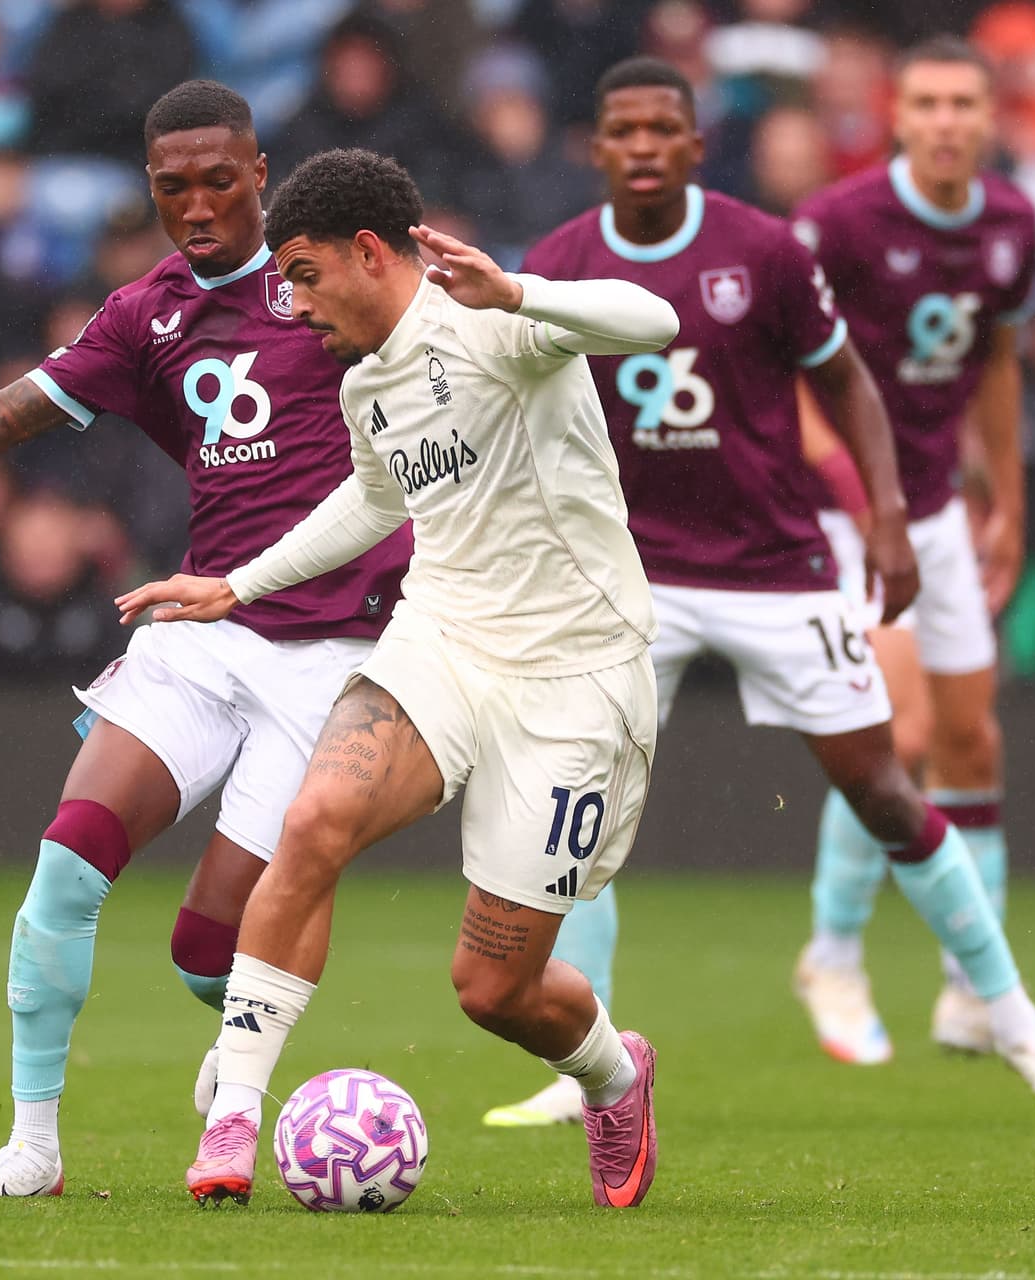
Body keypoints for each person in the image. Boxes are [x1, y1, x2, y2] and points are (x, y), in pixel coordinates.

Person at [481, 56, 1035, 1130]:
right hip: (635, 578)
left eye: (660, 130)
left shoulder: (761, 249)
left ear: (694, 144)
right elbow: (526, 416)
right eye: (620, 130)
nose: (641, 147)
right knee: (571, 812)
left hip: (777, 568)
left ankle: (1009, 1015)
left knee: (885, 781)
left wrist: (888, 511)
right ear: (596, 149)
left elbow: (846, 378)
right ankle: (581, 1059)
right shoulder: (559, 260)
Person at [0, 82, 412, 1199]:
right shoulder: (144, 313)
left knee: (209, 952)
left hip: (334, 652)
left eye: (216, 181)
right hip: (200, 625)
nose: (194, 206)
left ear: (258, 171)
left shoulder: (333, 283)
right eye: (170, 187)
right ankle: (32, 1147)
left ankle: (243, 1047)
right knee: (65, 861)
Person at [116, 147, 678, 1209]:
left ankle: (615, 1072)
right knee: (317, 814)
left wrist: (522, 291)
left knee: (493, 988)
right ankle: (236, 1105)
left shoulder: (496, 322)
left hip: (575, 676)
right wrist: (235, 584)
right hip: (442, 638)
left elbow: (654, 321)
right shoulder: (368, 381)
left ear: (368, 252)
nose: (291, 301)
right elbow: (375, 505)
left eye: (304, 273)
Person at [791, 36, 1035, 1065]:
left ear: (990, 115)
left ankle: (972, 993)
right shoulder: (838, 221)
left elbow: (997, 364)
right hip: (842, 510)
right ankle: (831, 952)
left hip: (935, 509)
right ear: (898, 115)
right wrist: (852, 490)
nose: (948, 120)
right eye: (927, 102)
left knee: (974, 742)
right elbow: (785, 366)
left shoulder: (1011, 222)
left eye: (966, 102)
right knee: (902, 731)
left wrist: (1003, 497)